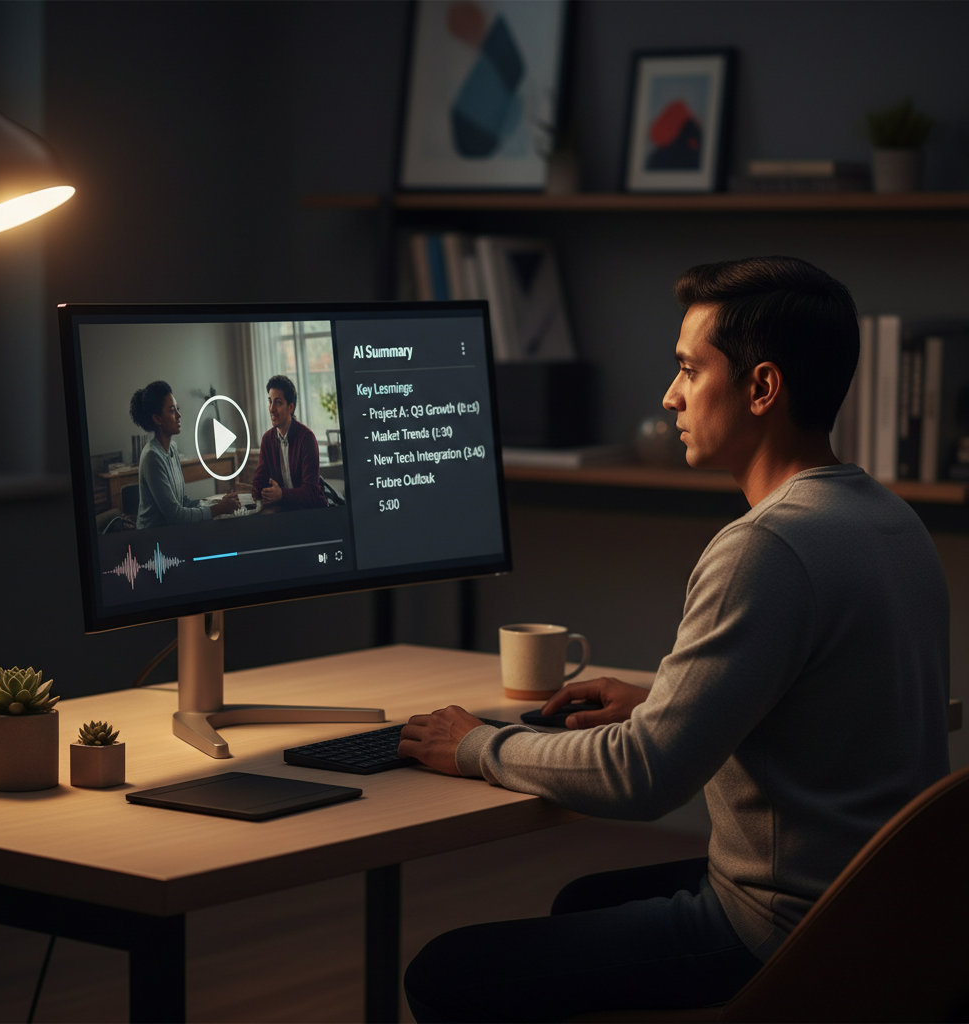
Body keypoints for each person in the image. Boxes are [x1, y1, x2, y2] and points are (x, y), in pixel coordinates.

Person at [398, 256, 951, 1023]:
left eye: (690, 369)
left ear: (761, 388)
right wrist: (666, 696)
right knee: (582, 901)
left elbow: (643, 776)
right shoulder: (890, 521)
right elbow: (830, 692)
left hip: (788, 934)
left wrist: (474, 745)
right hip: (890, 918)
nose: (669, 396)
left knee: (444, 972)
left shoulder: (766, 546)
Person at [130, 380, 240, 529]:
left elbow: (184, 502)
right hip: (153, 539)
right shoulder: (152, 457)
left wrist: (218, 504)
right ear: (157, 419)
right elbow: (176, 517)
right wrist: (218, 509)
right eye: (171, 411)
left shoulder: (172, 449)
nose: (179, 415)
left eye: (177, 408)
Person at [250, 374, 328, 510]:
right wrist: (257, 491)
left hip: (313, 513)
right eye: (270, 401)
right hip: (284, 512)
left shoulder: (307, 438)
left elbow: (310, 493)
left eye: (278, 402)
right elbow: (259, 481)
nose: (271, 408)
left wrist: (281, 494)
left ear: (291, 407)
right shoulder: (267, 439)